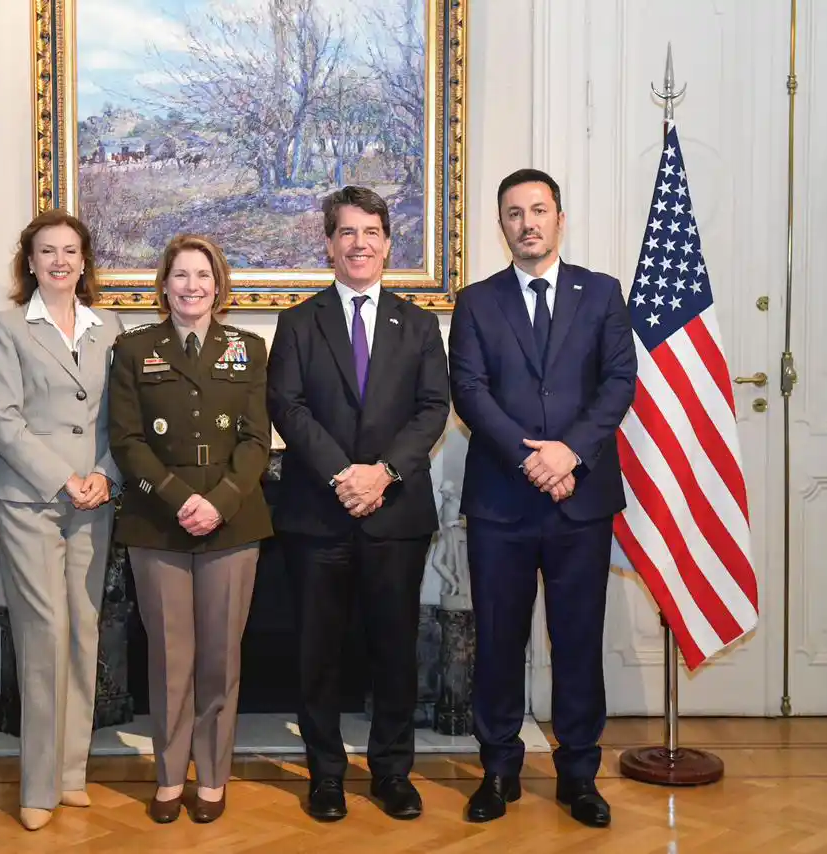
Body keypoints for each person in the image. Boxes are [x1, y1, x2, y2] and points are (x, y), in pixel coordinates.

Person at [447, 168, 637, 828]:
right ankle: (498, 770)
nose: (526, 222)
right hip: (501, 500)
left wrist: (569, 453)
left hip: (580, 501)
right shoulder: (475, 302)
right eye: (512, 213)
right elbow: (468, 391)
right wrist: (531, 458)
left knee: (577, 640)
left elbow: (618, 382)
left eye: (538, 210)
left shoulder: (602, 294)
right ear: (500, 225)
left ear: (560, 219)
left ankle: (579, 774)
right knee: (497, 640)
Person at [265, 186, 450, 822]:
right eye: (346, 232)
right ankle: (326, 775)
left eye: (371, 231)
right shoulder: (298, 321)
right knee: (317, 651)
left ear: (389, 243)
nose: (360, 243)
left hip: (396, 513)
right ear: (328, 243)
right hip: (318, 512)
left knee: (394, 647)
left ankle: (393, 771)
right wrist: (345, 473)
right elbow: (286, 407)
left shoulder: (419, 323)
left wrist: (384, 474)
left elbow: (434, 409)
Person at [108, 234, 272, 825]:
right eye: (180, 275)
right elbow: (125, 440)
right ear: (164, 284)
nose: (191, 286)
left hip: (232, 523)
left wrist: (221, 500)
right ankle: (170, 775)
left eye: (202, 275)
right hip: (158, 523)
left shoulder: (249, 348)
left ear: (218, 284)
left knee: (219, 659)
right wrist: (180, 499)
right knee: (170, 660)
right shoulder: (133, 350)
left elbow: (257, 441)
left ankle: (214, 777)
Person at [0, 209, 123, 830]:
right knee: (43, 637)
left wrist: (105, 475)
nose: (60, 261)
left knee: (84, 633)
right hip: (31, 501)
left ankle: (71, 775)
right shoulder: (6, 327)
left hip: (95, 499)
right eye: (47, 251)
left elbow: (126, 419)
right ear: (30, 262)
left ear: (84, 260)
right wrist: (63, 477)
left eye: (70, 251)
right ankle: (36, 785)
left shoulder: (111, 328)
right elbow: (2, 420)